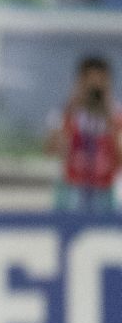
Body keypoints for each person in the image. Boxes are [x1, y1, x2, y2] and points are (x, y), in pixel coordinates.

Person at [44, 56, 120, 213]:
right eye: (89, 83)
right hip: (72, 188)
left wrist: (110, 119)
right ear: (80, 82)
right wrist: (70, 112)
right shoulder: (65, 113)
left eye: (100, 83)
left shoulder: (116, 116)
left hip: (105, 189)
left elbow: (120, 157)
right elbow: (52, 150)